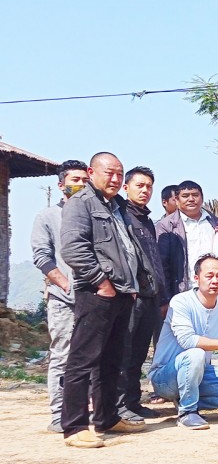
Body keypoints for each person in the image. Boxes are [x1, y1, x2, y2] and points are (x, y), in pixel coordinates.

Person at [59, 152, 156, 448]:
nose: (114, 179)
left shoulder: (116, 206)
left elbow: (127, 248)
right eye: (109, 173)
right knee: (82, 360)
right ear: (92, 172)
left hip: (123, 293)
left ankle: (107, 418)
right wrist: (101, 282)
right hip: (97, 293)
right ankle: (74, 427)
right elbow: (73, 248)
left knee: (112, 359)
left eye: (119, 173)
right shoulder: (81, 203)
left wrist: (134, 284)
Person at [148, 255, 218, 429]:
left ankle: (186, 398)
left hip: (198, 373)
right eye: (209, 276)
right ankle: (187, 412)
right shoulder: (181, 301)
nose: (215, 281)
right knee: (196, 354)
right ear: (196, 278)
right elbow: (187, 340)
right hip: (165, 376)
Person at [30, 159, 89, 433]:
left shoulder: (93, 213)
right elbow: (41, 257)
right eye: (74, 180)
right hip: (63, 299)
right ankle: (58, 413)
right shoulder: (48, 216)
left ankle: (85, 410)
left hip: (93, 298)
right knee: (63, 355)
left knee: (91, 356)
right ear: (61, 184)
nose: (80, 185)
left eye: (84, 180)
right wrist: (65, 284)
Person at [117, 166, 168, 422]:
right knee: (124, 353)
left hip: (150, 296)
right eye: (140, 185)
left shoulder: (147, 220)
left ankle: (133, 402)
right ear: (126, 187)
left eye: (149, 186)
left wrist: (161, 296)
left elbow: (154, 262)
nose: (145, 190)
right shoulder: (120, 215)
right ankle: (119, 406)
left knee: (139, 354)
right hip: (131, 296)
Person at [156, 180, 218, 314]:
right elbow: (162, 266)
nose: (191, 199)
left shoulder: (214, 222)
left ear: (202, 198)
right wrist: (165, 299)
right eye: (185, 196)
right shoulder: (165, 226)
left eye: (195, 195)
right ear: (177, 200)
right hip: (183, 292)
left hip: (214, 291)